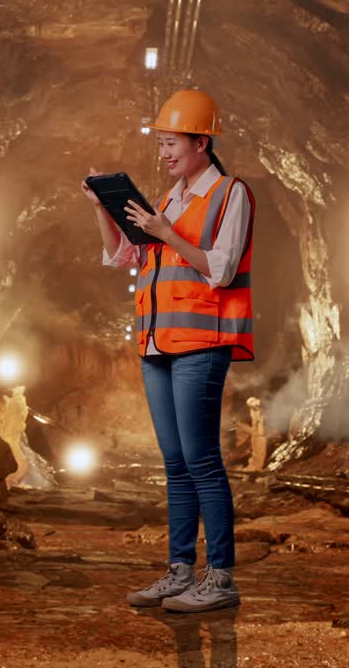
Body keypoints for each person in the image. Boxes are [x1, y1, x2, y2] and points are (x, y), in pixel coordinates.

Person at [82, 89, 255, 614]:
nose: (164, 152)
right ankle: (180, 571)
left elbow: (219, 268)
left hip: (202, 342)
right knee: (175, 462)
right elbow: (124, 256)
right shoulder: (172, 198)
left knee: (202, 459)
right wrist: (103, 211)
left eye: (171, 142)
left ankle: (220, 578)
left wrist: (164, 231)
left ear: (202, 142)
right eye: (159, 143)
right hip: (157, 343)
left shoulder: (231, 194)